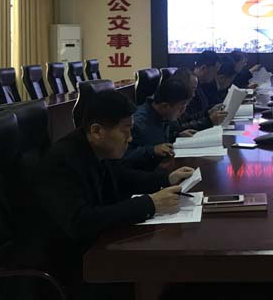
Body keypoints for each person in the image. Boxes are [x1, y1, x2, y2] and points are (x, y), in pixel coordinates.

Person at [35, 90, 195, 299]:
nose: (130, 138)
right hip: (71, 265)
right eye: (125, 131)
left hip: (98, 246)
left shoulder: (95, 149)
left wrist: (166, 179)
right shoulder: (61, 162)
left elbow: (123, 177)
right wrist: (149, 204)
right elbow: (80, 221)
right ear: (97, 131)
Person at [122, 78, 196, 171]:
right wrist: (152, 150)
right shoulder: (137, 123)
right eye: (180, 108)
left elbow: (159, 138)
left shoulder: (163, 115)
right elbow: (123, 156)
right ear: (165, 106)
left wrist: (176, 136)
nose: (183, 112)